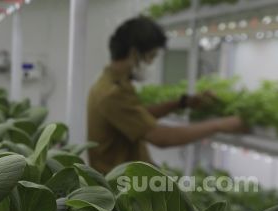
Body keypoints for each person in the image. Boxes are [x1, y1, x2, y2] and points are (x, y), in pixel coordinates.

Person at [87, 16, 246, 174]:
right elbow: (162, 138)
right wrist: (219, 125)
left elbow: (138, 116)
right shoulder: (112, 93)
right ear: (134, 53)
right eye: (152, 56)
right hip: (119, 190)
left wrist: (182, 103)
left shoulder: (112, 84)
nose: (151, 63)